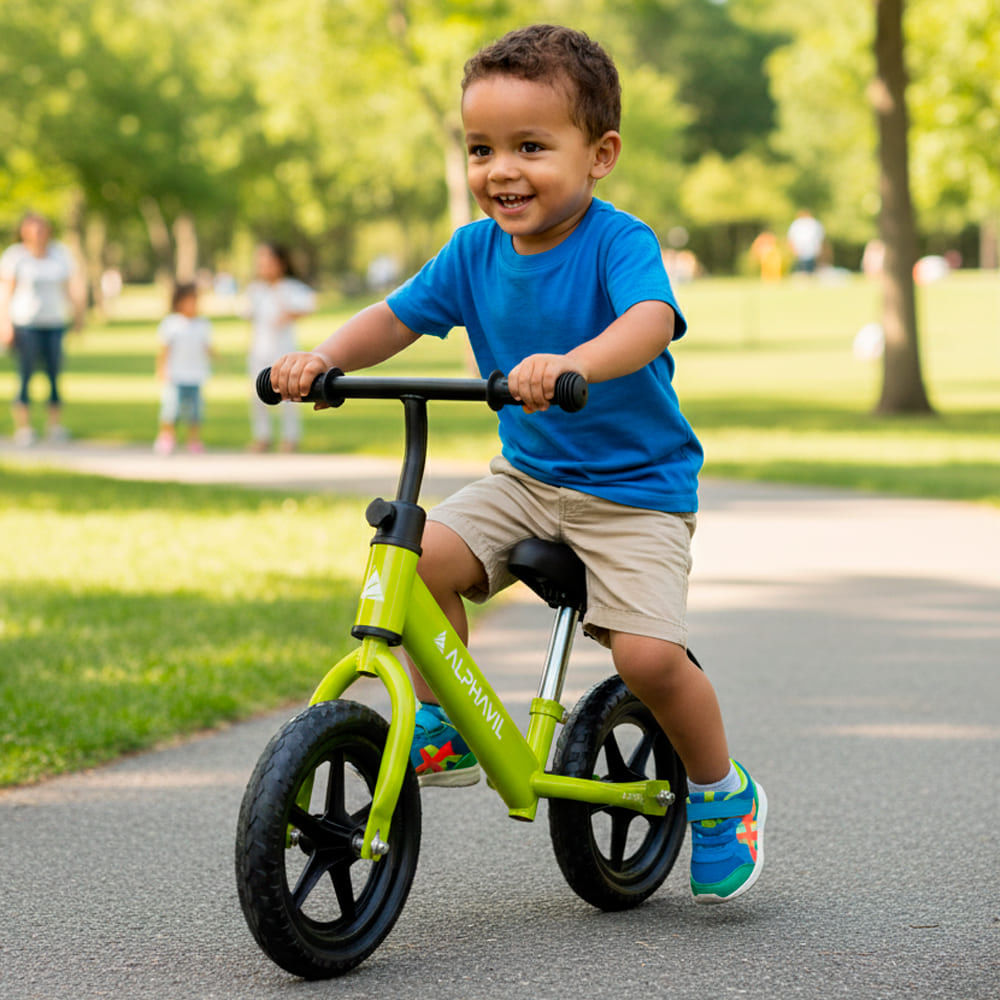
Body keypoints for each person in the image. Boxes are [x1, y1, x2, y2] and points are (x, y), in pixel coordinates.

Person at [269, 24, 766, 904]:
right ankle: (443, 719)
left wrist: (574, 362)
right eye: (482, 149)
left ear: (599, 154)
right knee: (415, 558)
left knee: (648, 660)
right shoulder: (473, 251)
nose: (502, 170)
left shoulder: (617, 241)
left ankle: (722, 792)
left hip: (635, 493)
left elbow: (649, 321)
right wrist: (323, 360)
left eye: (531, 147)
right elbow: (395, 317)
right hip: (527, 483)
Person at [0, 212, 84, 446]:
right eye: (34, 230)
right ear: (24, 232)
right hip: (26, 324)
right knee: (25, 374)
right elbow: (6, 292)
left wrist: (78, 315)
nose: (39, 234)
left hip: (54, 323)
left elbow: (69, 287)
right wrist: (4, 324)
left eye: (42, 229)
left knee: (54, 374)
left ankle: (54, 426)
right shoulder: (15, 257)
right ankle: (24, 427)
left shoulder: (60, 254)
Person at [244, 243, 316, 452]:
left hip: (284, 351)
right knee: (257, 395)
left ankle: (290, 438)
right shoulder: (256, 290)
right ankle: (262, 436)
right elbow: (247, 313)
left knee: (289, 395)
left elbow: (308, 305)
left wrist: (288, 312)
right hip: (259, 351)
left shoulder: (290, 288)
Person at [154, 281, 213, 455]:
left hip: (196, 375)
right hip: (176, 376)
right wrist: (161, 370)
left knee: (195, 412)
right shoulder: (171, 324)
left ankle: (194, 440)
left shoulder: (203, 324)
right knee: (171, 410)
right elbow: (164, 350)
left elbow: (206, 346)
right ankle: (166, 438)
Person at [786, 209, 825, 274]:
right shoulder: (797, 224)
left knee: (810, 267)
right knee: (800, 266)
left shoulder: (814, 223)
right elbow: (791, 237)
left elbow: (819, 237)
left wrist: (818, 247)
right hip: (800, 248)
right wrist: (793, 248)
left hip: (811, 249)